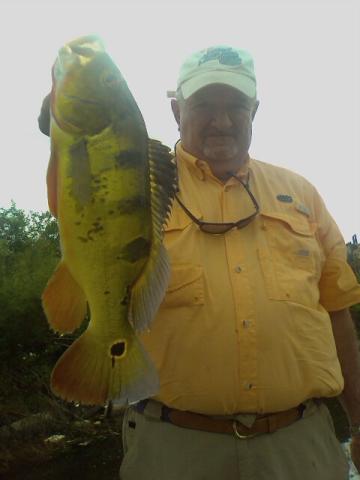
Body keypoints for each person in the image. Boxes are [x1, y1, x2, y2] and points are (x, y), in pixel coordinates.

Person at [38, 45, 360, 480]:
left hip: (301, 446)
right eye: (205, 105)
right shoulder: (142, 175)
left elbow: (337, 315)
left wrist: (359, 421)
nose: (221, 121)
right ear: (175, 109)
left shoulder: (301, 195)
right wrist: (59, 123)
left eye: (236, 107)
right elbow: (83, 187)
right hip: (174, 448)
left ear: (255, 110)